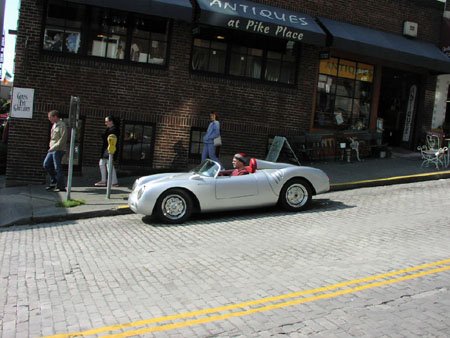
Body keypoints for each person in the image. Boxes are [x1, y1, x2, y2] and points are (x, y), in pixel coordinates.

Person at [43, 110, 68, 192]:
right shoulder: (54, 125)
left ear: (55, 117)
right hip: (52, 149)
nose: (49, 119)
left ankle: (61, 186)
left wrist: (54, 147)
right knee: (46, 164)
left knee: (57, 167)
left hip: (58, 149)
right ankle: (54, 182)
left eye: (50, 117)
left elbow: (63, 139)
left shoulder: (62, 125)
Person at [95, 115, 120, 187]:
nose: (105, 123)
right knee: (102, 163)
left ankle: (113, 182)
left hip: (110, 149)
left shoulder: (114, 129)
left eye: (106, 121)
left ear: (111, 121)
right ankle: (104, 181)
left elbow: (106, 137)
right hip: (106, 149)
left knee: (109, 165)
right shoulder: (110, 129)